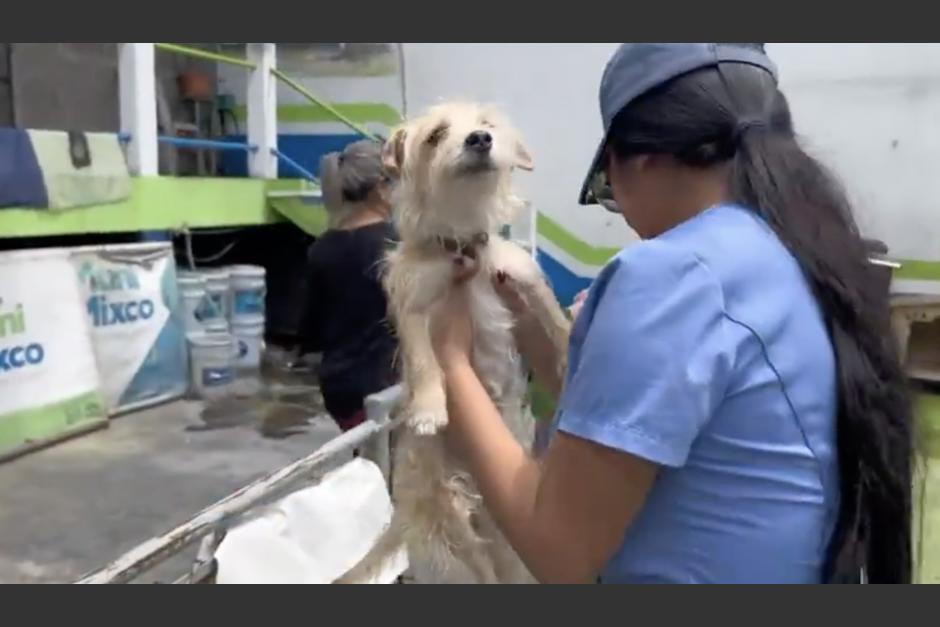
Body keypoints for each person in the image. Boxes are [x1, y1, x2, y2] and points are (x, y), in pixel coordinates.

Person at [430, 43, 913, 583]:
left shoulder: (674, 275)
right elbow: (632, 436)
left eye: (608, 189)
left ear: (640, 158)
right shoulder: (790, 254)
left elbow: (558, 550)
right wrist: (549, 335)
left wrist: (451, 361)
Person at [299, 140, 398, 434]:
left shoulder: (321, 249)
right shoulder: (397, 246)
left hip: (340, 388)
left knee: (366, 456)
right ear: (380, 187)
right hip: (387, 385)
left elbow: (310, 333)